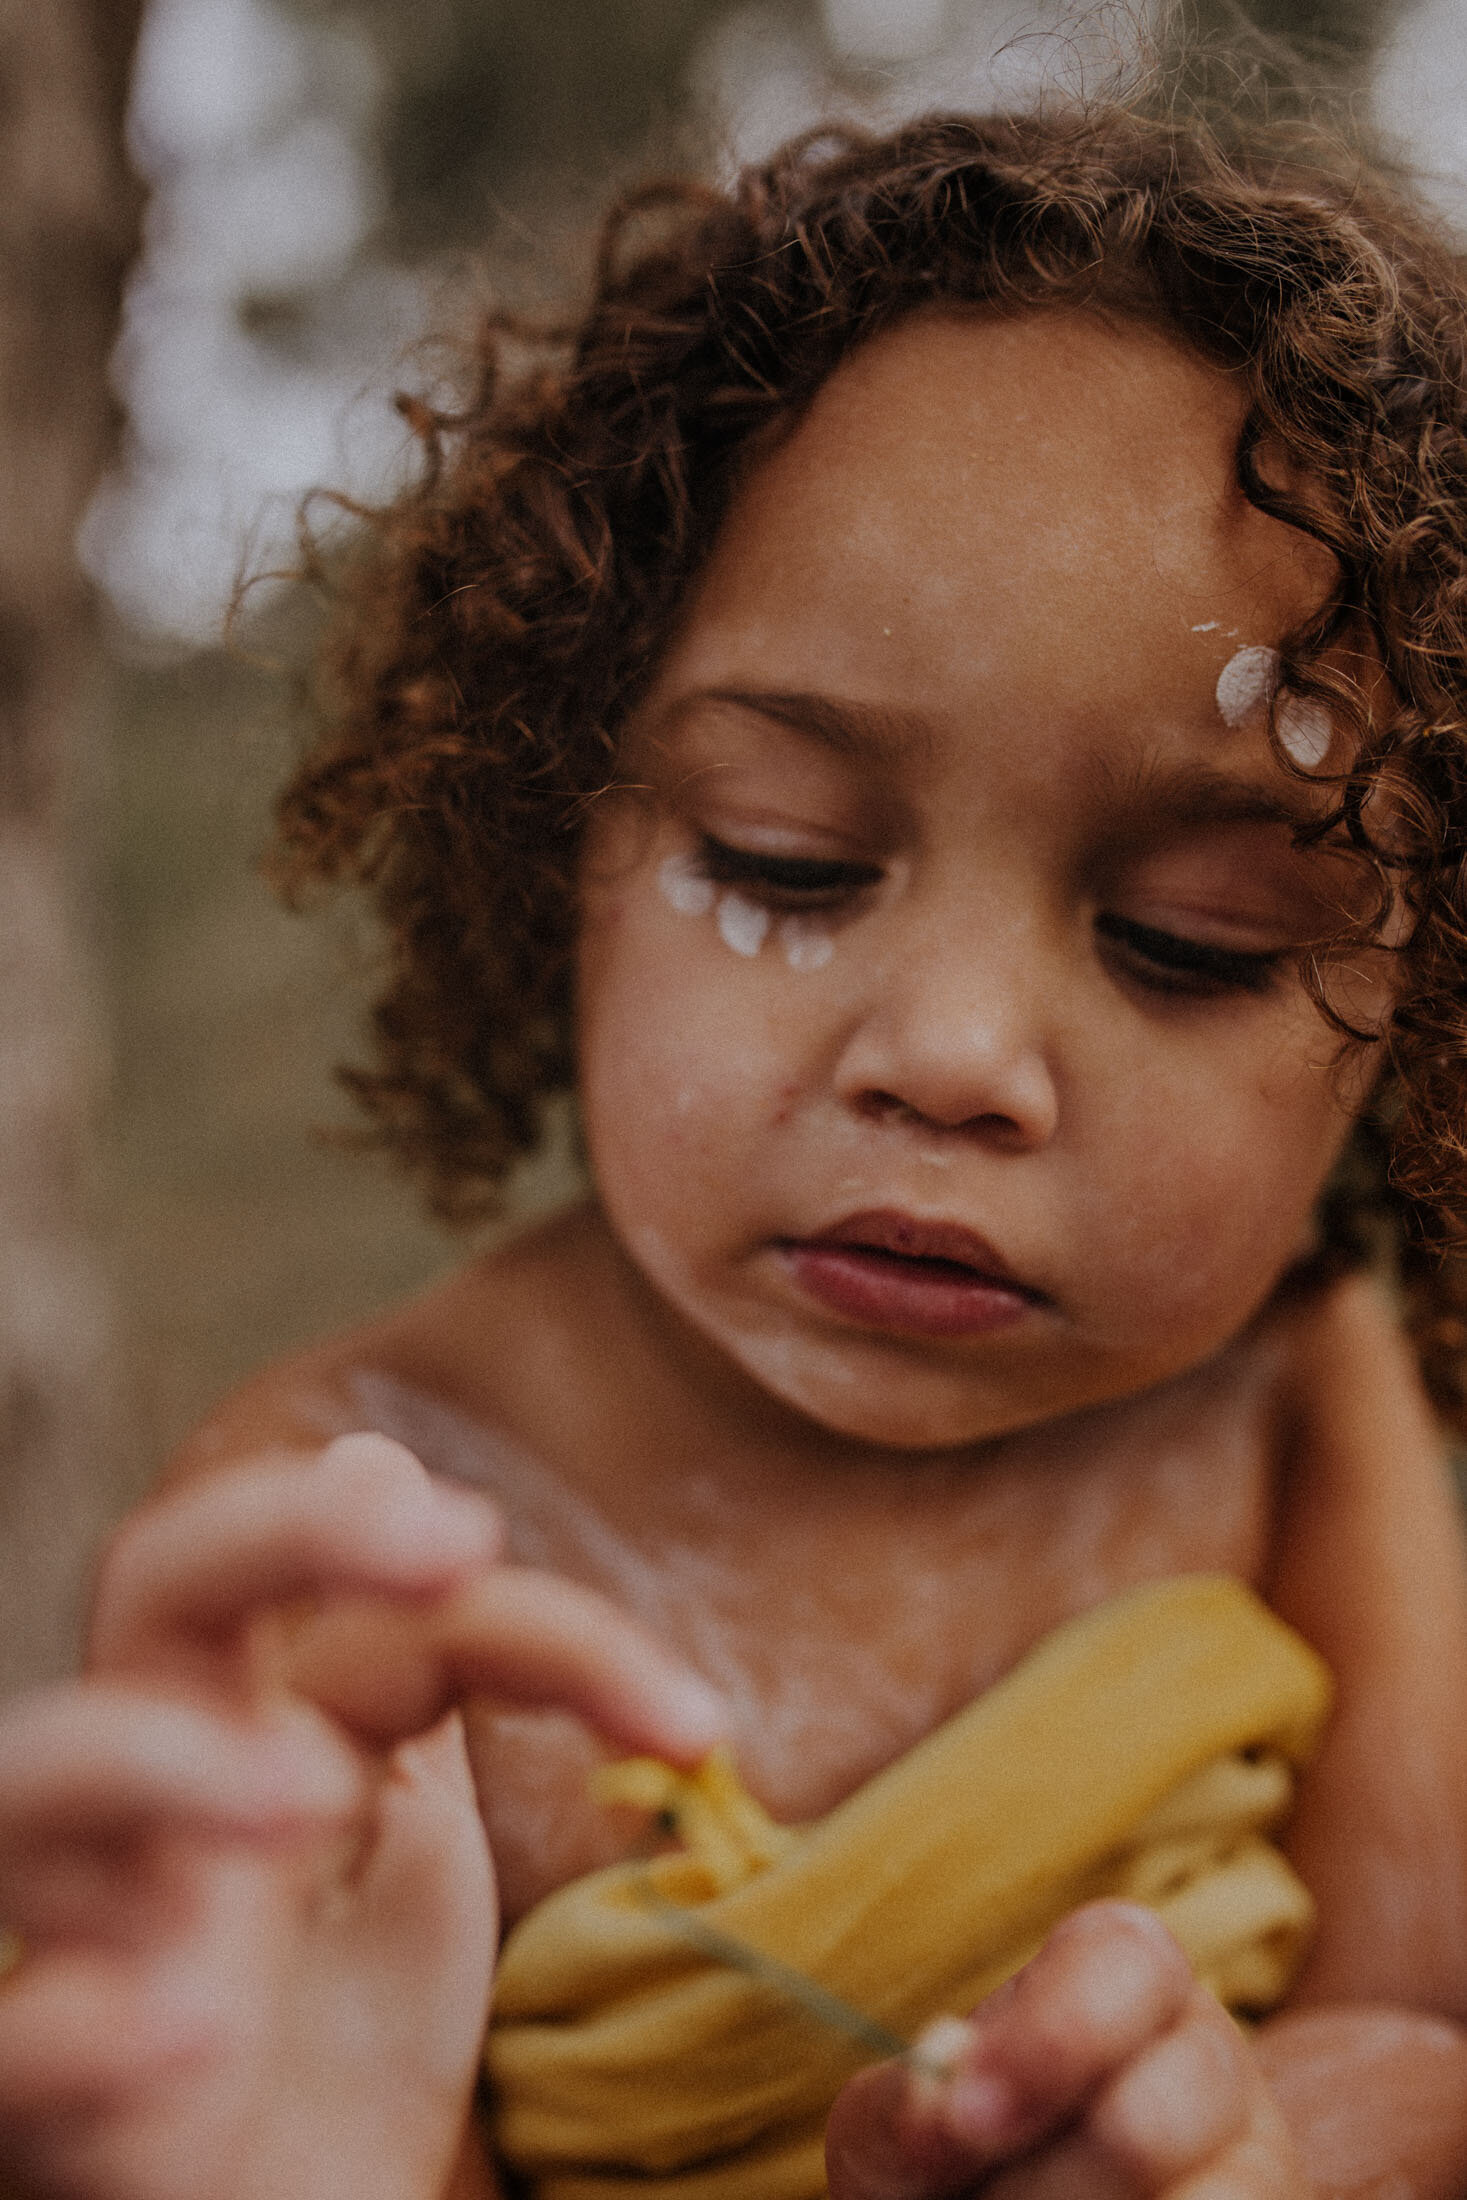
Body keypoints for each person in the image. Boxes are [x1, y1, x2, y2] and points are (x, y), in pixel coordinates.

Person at [6, 94, 1467, 2200]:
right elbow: (264, 2093)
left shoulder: (1281, 1392)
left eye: (1186, 942)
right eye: (783, 867)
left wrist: (1249, 2145)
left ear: (1403, 1031)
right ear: (560, 833)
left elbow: (1418, 2032)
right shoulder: (367, 1513)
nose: (955, 1057)